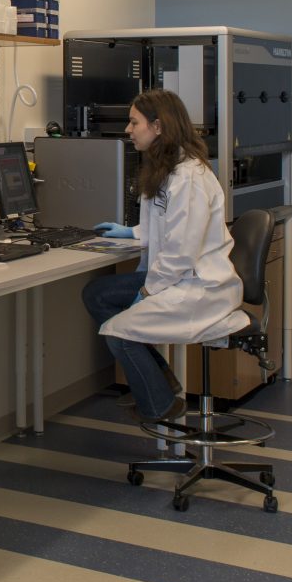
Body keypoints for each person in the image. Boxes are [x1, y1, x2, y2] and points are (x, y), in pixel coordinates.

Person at [82, 88, 243, 421]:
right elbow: (169, 228)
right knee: (96, 294)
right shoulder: (168, 168)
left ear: (158, 126)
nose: (128, 130)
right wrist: (132, 232)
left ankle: (162, 405)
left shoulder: (189, 178)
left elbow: (181, 252)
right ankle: (162, 380)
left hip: (197, 285)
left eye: (133, 122)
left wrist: (146, 291)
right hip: (173, 275)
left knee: (117, 332)